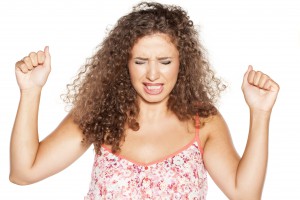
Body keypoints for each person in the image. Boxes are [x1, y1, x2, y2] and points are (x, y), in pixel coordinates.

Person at [10, 2, 279, 199]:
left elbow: (246, 195)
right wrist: (31, 91)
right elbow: (24, 173)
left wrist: (260, 113)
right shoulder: (101, 115)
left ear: (181, 63)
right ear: (123, 63)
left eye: (164, 61)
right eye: (140, 61)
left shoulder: (203, 122)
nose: (152, 74)